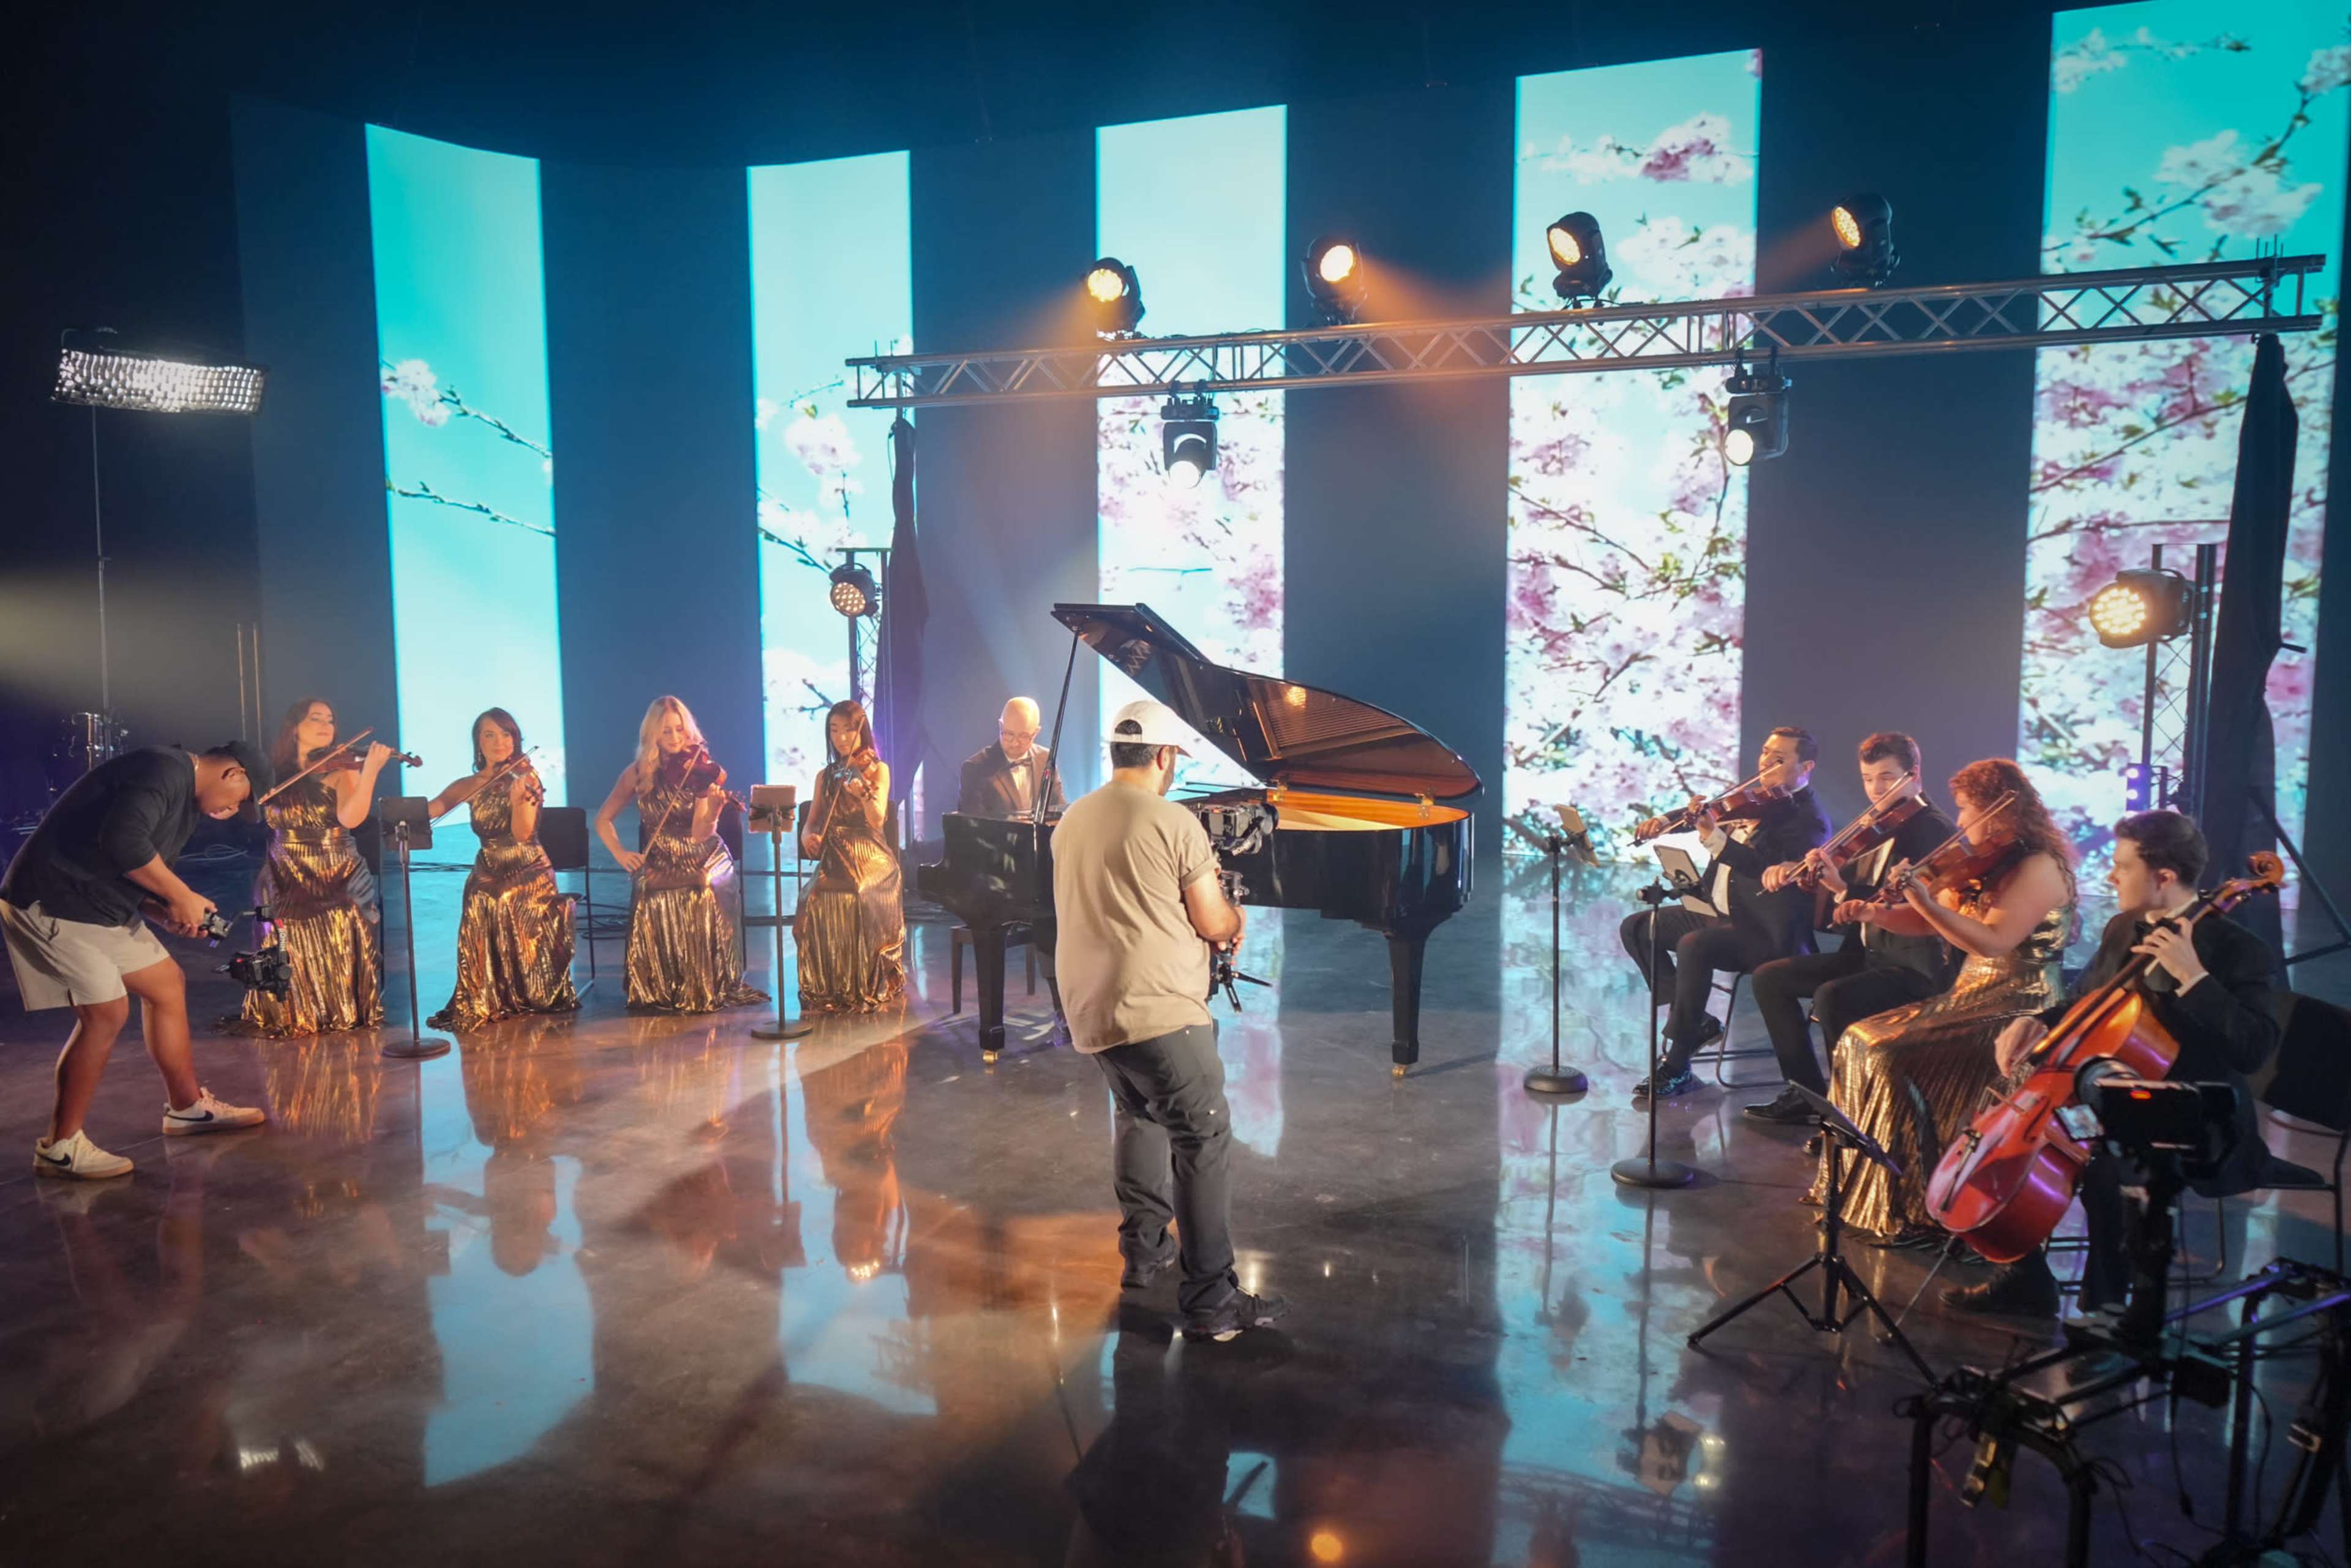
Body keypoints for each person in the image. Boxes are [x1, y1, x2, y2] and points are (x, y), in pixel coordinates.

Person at [1944, 809, 2279, 1318]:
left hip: (2192, 1115)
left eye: (2122, 866)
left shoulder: (2238, 949)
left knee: (2104, 1164)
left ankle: (2108, 1313)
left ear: (2163, 878)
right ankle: (2026, 1277)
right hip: (2111, 1095)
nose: (2110, 876)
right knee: (2016, 1131)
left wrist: (2195, 979)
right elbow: (2085, 1000)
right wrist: (2036, 1020)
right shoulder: (2125, 927)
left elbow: (2253, 1049)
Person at [1054, 698, 1284, 1343]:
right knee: (1203, 1138)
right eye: (1174, 759)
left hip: (1090, 1006)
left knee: (1140, 1117)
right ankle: (1212, 1298)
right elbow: (1212, 921)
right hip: (1159, 1010)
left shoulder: (1071, 819)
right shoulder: (1173, 822)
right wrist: (1237, 922)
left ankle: (1144, 1251)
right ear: (1162, 757)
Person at [1815, 757, 2075, 1245]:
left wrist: (1927, 902)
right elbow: (1930, 922)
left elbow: (1995, 941)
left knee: (1885, 1052)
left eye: (1966, 809)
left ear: (2000, 812)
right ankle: (1863, 1191)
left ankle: (1915, 1206)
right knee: (1856, 1038)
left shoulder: (2038, 866)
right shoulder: (1986, 863)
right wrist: (1880, 911)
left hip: (2020, 1000)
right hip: (1974, 991)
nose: (1959, 823)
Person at [1, 741, 272, 1179]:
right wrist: (179, 894)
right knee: (106, 1013)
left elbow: (126, 863)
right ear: (233, 774)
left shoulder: (183, 795)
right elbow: (123, 843)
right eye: (237, 801)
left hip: (98, 904)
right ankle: (60, 1147)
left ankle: (186, 1108)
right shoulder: (162, 770)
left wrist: (163, 912)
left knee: (165, 983)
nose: (227, 812)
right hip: (53, 900)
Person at [1742, 733, 1959, 1123]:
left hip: (1913, 965)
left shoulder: (1933, 830)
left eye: (1886, 778)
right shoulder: (1876, 825)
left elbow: (1909, 907)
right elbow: (1846, 902)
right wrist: (1809, 876)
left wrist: (1842, 888)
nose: (1875, 789)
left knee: (1832, 997)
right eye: (1867, 778)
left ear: (1912, 775)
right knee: (1769, 979)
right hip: (1867, 954)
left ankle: (1849, 1112)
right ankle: (1806, 1093)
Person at [1618, 726, 1833, 1098]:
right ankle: (1696, 1022)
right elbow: (1708, 815)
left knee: (1695, 946)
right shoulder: (1753, 800)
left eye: (1779, 759)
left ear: (1806, 767)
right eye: (1766, 752)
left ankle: (1677, 1065)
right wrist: (1667, 821)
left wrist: (1713, 837)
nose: (1766, 762)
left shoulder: (1809, 820)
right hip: (1717, 913)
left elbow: (1764, 867)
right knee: (1639, 927)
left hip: (1764, 931)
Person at [596, 696, 766, 1014]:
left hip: (703, 853)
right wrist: (620, 854)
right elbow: (603, 819)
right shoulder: (636, 773)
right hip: (660, 856)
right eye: (666, 733)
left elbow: (702, 832)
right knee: (646, 886)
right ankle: (657, 985)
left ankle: (702, 982)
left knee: (700, 886)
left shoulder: (700, 772)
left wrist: (714, 808)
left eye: (679, 730)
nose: (675, 739)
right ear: (652, 736)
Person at [232, 699, 391, 1037]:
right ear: (294, 728)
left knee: (342, 915)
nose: (325, 725)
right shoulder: (274, 773)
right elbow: (251, 816)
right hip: (285, 869)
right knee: (277, 922)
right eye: (315, 718)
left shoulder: (342, 768)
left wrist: (370, 772)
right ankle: (293, 1009)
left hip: (336, 870)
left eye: (330, 720)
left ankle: (339, 1008)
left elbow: (351, 818)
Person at [425, 708, 577, 1030]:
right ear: (478, 744)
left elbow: (523, 834)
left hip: (528, 866)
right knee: (480, 894)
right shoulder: (469, 784)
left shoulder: (526, 779)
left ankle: (517, 992)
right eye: (489, 735)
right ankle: (484, 993)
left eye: (506, 734)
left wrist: (519, 798)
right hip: (490, 862)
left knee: (502, 897)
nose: (499, 742)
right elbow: (432, 809)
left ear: (515, 740)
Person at [795, 699, 907, 1013]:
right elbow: (812, 821)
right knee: (815, 895)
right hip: (836, 853)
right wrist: (809, 837)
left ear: (862, 733)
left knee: (859, 893)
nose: (841, 738)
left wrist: (865, 793)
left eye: (848, 730)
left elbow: (876, 820)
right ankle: (826, 983)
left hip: (871, 853)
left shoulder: (878, 770)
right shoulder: (825, 775)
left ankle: (862, 982)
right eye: (834, 731)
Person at [957, 696, 1065, 819]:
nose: (1015, 743)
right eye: (1009, 734)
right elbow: (972, 826)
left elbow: (1059, 812)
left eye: (1024, 736)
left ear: (1036, 732)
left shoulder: (1046, 759)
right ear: (1000, 725)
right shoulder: (975, 769)